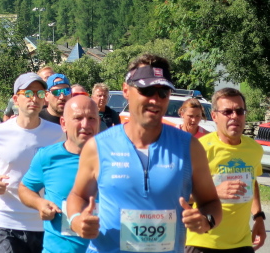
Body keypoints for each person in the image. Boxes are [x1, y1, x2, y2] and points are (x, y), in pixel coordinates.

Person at [67, 53, 223, 253]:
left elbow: (211, 203)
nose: (155, 100)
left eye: (163, 92)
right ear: (126, 90)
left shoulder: (189, 147)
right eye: (146, 90)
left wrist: (206, 221)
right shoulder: (98, 146)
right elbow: (77, 196)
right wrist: (76, 220)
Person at [0, 72, 65, 253]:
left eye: (39, 94)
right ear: (16, 99)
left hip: (44, 222)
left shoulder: (57, 134)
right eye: (28, 93)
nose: (34, 98)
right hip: (6, 220)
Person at [185, 87, 265, 253]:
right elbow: (179, 194)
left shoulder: (254, 149)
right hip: (203, 241)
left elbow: (252, 181)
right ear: (214, 116)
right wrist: (214, 192)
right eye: (227, 112)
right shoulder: (199, 148)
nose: (234, 116)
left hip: (241, 243)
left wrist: (258, 216)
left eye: (239, 111)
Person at [19, 95, 101, 253]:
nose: (85, 124)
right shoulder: (47, 157)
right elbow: (24, 188)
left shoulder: (115, 158)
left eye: (91, 118)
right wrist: (39, 203)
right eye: (78, 118)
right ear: (63, 123)